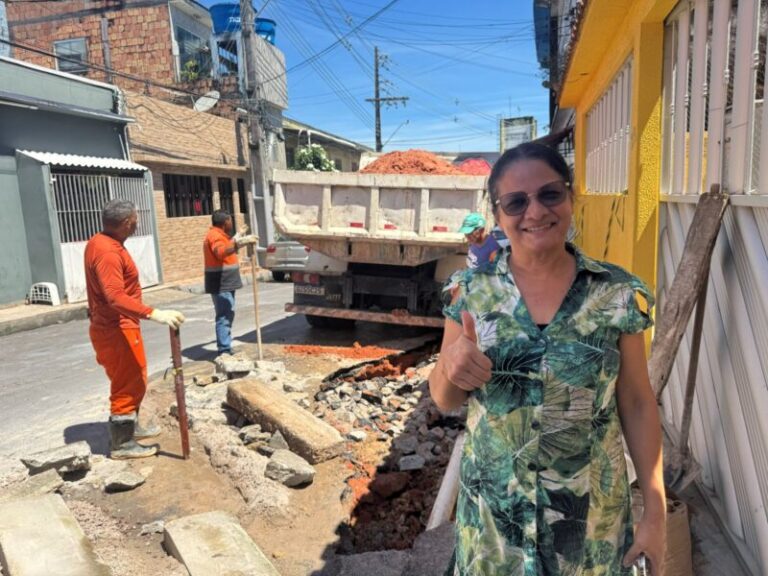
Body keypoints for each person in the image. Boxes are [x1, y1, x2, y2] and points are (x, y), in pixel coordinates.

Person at [429, 143, 666, 575]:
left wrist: (655, 512)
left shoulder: (614, 293)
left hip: (590, 529)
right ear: (497, 215)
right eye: (516, 202)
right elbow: (444, 399)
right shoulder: (471, 292)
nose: (535, 212)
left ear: (571, 198)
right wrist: (451, 366)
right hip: (494, 529)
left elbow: (636, 402)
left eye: (549, 194)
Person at [85, 199, 186, 460]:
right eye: (136, 219)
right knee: (127, 383)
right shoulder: (107, 252)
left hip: (117, 325)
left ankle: (132, 427)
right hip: (115, 328)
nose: (138, 222)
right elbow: (115, 296)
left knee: (136, 378)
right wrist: (154, 313)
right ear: (127, 222)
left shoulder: (101, 242)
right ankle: (122, 444)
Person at [203, 209, 257, 355]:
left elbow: (226, 245)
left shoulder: (219, 235)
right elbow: (221, 252)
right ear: (225, 222)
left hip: (225, 282)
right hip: (221, 283)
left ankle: (225, 348)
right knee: (224, 316)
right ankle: (224, 351)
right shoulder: (215, 236)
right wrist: (241, 242)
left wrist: (238, 235)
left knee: (227, 314)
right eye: (230, 220)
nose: (231, 223)